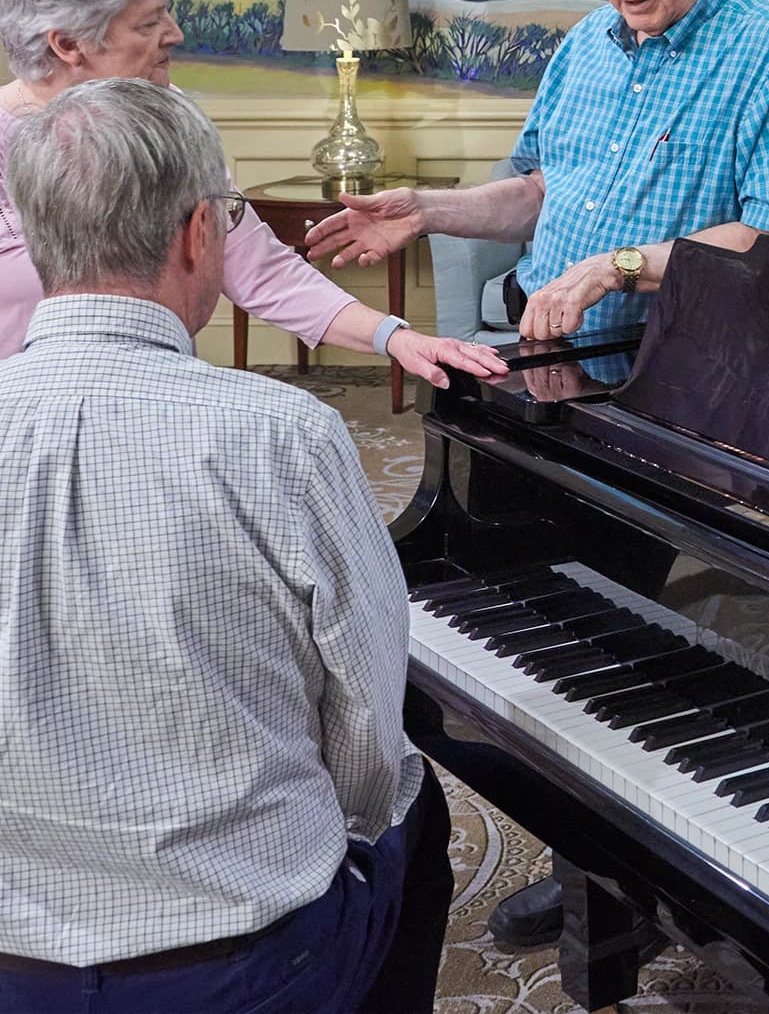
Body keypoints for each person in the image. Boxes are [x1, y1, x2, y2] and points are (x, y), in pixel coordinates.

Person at [305, 0, 769, 945]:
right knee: (551, 619)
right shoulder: (585, 45)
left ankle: (660, 875)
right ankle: (592, 858)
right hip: (551, 373)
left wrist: (618, 265)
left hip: (676, 383)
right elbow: (540, 190)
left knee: (642, 635)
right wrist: (427, 208)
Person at [0, 76, 453, 1014]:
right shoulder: (286, 435)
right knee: (420, 807)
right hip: (242, 959)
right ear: (199, 233)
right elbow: (367, 730)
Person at [0, 0, 506, 391]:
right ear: (68, 44)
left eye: (167, 12)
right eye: (149, 23)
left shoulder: (170, 119)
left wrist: (397, 338)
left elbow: (258, 267)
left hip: (154, 405)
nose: (175, 34)